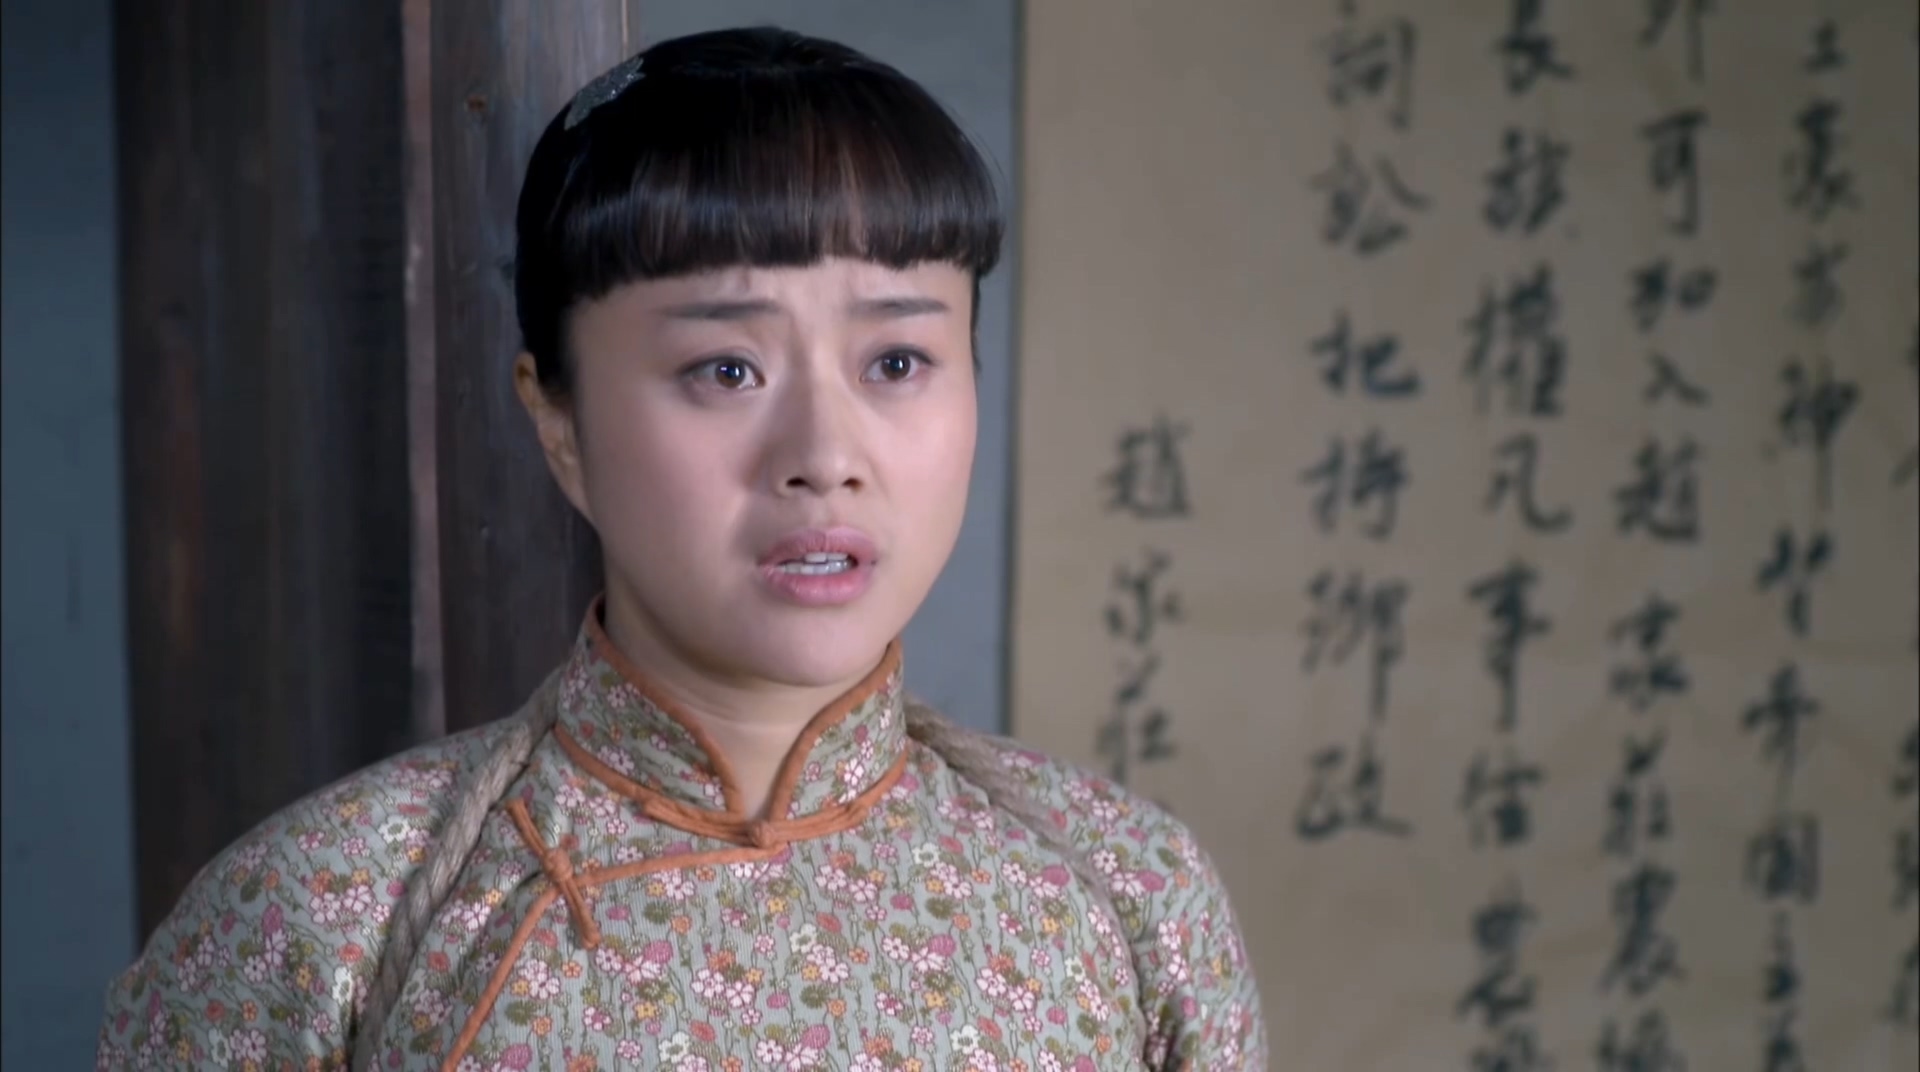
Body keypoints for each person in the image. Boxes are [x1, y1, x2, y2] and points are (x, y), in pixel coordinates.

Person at [96, 26, 1267, 1072]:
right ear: (559, 421)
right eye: (727, 369)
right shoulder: (324, 915)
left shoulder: (1129, 893)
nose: (824, 455)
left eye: (897, 362)